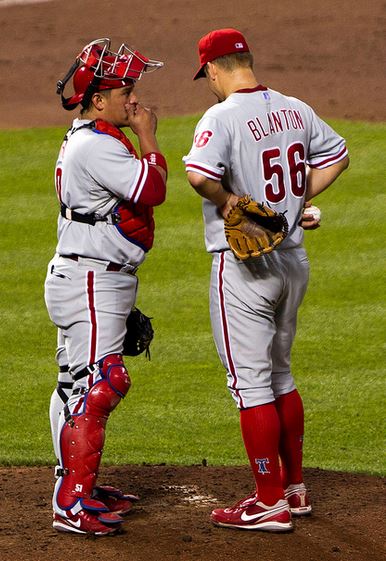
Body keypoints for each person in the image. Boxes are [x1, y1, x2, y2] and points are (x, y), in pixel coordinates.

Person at [184, 28, 349, 532]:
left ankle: (267, 500)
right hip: (293, 262)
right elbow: (337, 155)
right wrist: (293, 208)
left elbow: (197, 175)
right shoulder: (295, 108)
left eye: (206, 75)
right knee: (281, 374)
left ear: (213, 69)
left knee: (251, 383)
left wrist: (229, 201)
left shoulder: (222, 115)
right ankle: (294, 489)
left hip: (244, 268)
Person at [44, 38, 167, 536]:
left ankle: (74, 483)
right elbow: (152, 189)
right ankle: (71, 501)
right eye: (125, 89)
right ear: (97, 99)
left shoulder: (91, 136)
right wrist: (149, 136)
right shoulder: (97, 144)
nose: (133, 99)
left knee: (76, 385)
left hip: (88, 275)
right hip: (91, 279)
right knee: (101, 385)